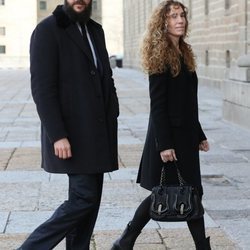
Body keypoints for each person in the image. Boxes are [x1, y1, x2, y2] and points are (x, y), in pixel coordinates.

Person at [17, 0, 119, 249]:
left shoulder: (96, 30)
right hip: (72, 134)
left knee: (90, 202)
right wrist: (57, 135)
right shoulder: (47, 31)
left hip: (99, 132)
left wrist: (112, 109)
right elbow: (42, 89)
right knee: (83, 198)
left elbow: (105, 74)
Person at [111, 1, 211, 250]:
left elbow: (188, 102)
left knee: (189, 191)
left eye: (181, 15)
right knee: (175, 190)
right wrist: (164, 144)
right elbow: (158, 105)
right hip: (169, 137)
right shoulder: (160, 54)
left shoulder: (184, 51)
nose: (180, 20)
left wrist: (199, 133)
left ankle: (126, 241)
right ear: (163, 23)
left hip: (186, 136)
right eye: (173, 16)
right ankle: (127, 239)